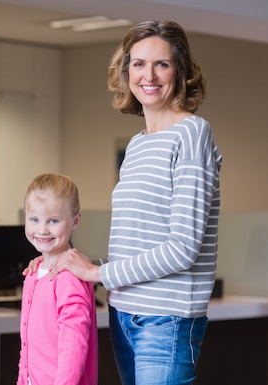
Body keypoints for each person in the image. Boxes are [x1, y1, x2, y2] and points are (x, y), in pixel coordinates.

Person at [29, 20, 222, 385]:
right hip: (123, 314)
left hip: (166, 320)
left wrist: (98, 274)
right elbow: (140, 242)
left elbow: (183, 248)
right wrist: (73, 262)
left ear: (180, 71)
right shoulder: (137, 144)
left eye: (161, 64)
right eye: (138, 64)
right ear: (126, 71)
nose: (148, 75)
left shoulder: (193, 133)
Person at [18, 173, 98, 385]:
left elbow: (74, 345)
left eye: (53, 220)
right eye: (34, 219)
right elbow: (26, 348)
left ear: (75, 221)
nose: (42, 230)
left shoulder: (69, 277)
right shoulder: (33, 273)